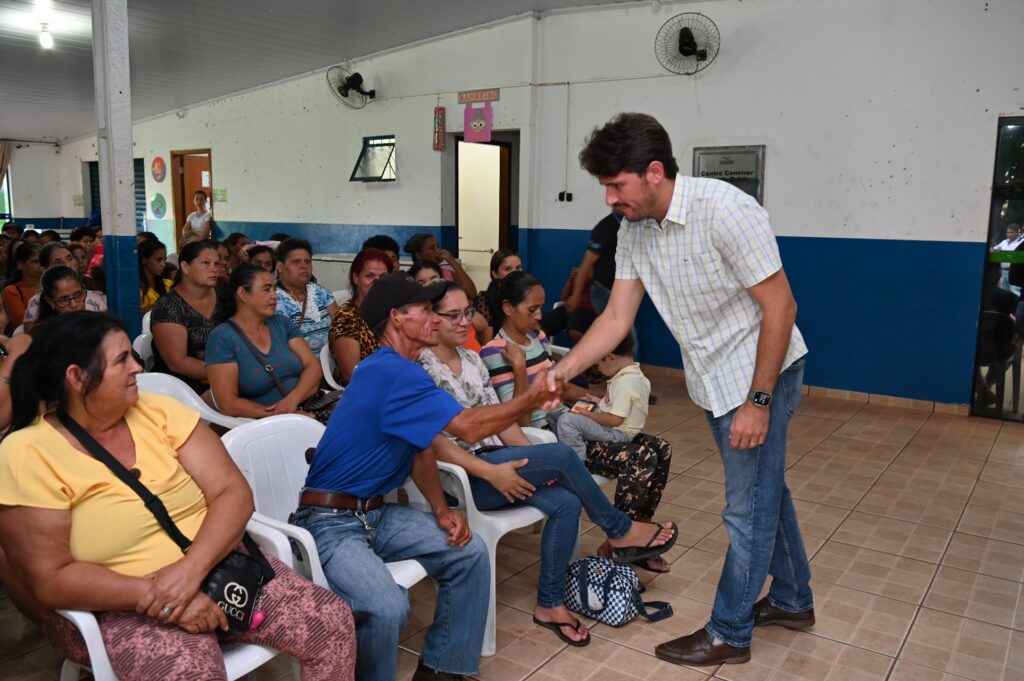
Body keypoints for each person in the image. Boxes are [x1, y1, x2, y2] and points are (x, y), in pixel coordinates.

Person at [549, 112, 813, 666]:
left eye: (616, 185)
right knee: (765, 493)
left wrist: (758, 402)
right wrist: (563, 367)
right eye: (604, 186)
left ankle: (729, 633)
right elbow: (617, 317)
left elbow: (780, 307)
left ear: (652, 172)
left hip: (760, 376)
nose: (609, 198)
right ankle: (791, 599)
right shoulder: (633, 229)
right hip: (715, 382)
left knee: (747, 510)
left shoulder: (726, 210)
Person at [0, 312, 356, 680]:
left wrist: (189, 572)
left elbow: (231, 491)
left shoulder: (157, 412)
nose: (138, 366)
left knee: (330, 623)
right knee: (186, 673)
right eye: (122, 359)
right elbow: (52, 578)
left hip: (215, 568)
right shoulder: (28, 453)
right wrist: (160, 597)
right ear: (76, 377)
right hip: (113, 604)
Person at [291, 272, 566, 681]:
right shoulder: (388, 371)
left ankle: (443, 670)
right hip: (330, 522)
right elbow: (469, 427)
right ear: (397, 318)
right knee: (387, 606)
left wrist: (440, 508)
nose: (435, 318)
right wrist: (529, 397)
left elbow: (420, 447)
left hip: (376, 515)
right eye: (424, 309)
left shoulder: (409, 370)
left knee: (469, 554)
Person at [419, 282, 678, 645]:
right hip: (467, 475)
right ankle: (619, 530)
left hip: (499, 460)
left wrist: (532, 463)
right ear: (428, 317)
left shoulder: (473, 359)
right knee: (560, 454)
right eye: (453, 315)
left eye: (468, 312)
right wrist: (496, 471)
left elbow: (503, 420)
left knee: (566, 500)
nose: (466, 322)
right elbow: (432, 444)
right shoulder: (419, 368)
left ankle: (550, 603)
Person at [206, 265, 322, 419]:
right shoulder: (222, 338)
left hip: (307, 405)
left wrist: (292, 401)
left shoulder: (282, 323)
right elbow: (228, 404)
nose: (275, 295)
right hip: (264, 423)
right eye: (267, 289)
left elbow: (313, 366)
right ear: (243, 294)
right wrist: (285, 415)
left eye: (274, 289)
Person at [480, 271, 587, 429]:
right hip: (545, 432)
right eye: (532, 310)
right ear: (508, 308)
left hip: (567, 421)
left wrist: (602, 398)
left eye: (540, 308)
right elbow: (521, 421)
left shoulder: (538, 336)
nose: (539, 316)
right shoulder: (495, 351)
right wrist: (519, 366)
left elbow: (560, 389)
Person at [151, 241, 219, 396]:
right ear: (185, 267)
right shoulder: (168, 307)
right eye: (206, 263)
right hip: (184, 388)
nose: (214, 269)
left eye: (216, 263)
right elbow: (177, 363)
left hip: (224, 377)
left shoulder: (225, 298)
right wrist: (226, 374)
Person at [328, 248, 392, 385]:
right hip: (367, 388)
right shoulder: (346, 318)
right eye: (369, 276)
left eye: (383, 277)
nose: (377, 282)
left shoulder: (392, 310)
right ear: (356, 277)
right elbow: (351, 374)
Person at [275, 238, 338, 354]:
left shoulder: (321, 292)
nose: (304, 266)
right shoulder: (273, 299)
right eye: (296, 262)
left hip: (332, 362)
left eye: (307, 261)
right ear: (280, 267)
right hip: (300, 367)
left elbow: (341, 329)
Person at [403, 232, 478, 298]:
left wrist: (452, 261)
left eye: (438, 246)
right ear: (418, 255)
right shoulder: (410, 277)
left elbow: (472, 294)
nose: (438, 251)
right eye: (432, 248)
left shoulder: (447, 273)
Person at [31, 266, 107, 329]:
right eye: (64, 300)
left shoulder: (98, 325)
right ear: (50, 302)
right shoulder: (41, 333)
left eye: (78, 295)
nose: (74, 305)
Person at [539, 266, 596, 344]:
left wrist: (591, 277)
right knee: (540, 327)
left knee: (575, 330)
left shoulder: (605, 275)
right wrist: (571, 279)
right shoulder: (582, 271)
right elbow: (564, 298)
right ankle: (544, 351)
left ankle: (590, 352)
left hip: (590, 311)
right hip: (571, 308)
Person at [475, 249, 523, 342]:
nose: (515, 273)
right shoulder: (485, 301)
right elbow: (486, 346)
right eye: (508, 269)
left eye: (518, 268)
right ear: (495, 274)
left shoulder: (525, 296)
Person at [2, 242, 42, 331]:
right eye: (35, 262)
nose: (41, 266)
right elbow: (21, 323)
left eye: (43, 261)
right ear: (21, 264)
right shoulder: (12, 291)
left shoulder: (51, 286)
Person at [139, 239, 173, 313]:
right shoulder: (136, 290)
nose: (163, 265)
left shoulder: (168, 284)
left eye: (165, 260)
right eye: (159, 260)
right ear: (144, 260)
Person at [992, 223, 1023, 293]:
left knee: (1015, 292)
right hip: (1003, 272)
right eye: (1008, 232)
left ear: (1018, 232)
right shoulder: (1004, 242)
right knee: (1004, 292)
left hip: (1014, 272)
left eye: (1012, 232)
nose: (1009, 234)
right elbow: (994, 250)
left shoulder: (1021, 242)